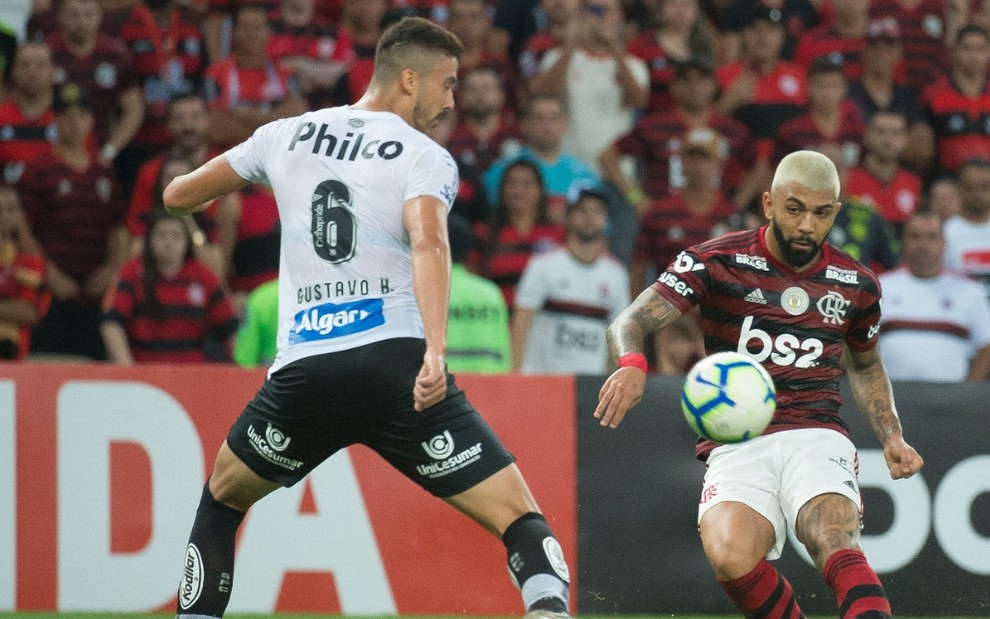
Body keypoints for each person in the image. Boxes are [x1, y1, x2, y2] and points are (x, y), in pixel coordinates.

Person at [163, 17, 572, 619]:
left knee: (221, 503)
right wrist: (436, 351)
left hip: (306, 373)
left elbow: (178, 195)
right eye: (448, 84)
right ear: (410, 80)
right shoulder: (427, 157)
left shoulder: (285, 135)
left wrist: (221, 204)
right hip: (397, 371)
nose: (451, 100)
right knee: (520, 518)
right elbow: (429, 243)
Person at [595, 150, 924, 619]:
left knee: (832, 535)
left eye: (821, 212)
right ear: (768, 204)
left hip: (815, 432)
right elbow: (630, 321)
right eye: (795, 209)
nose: (808, 225)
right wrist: (630, 363)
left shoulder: (856, 284)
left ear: (836, 211)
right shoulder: (715, 260)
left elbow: (867, 366)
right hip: (738, 438)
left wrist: (892, 435)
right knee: (729, 553)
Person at [510, 187, 628, 374]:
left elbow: (619, 335)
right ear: (569, 216)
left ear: (606, 220)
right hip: (543, 379)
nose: (589, 217)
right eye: (582, 210)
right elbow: (521, 322)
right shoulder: (543, 264)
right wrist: (515, 374)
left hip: (590, 384)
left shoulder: (616, 273)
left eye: (597, 212)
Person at [101, 210, 239, 364]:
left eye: (176, 235)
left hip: (194, 375)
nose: (169, 242)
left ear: (187, 241)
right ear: (149, 240)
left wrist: (239, 371)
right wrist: (128, 368)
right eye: (161, 235)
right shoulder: (130, 273)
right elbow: (111, 323)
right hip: (144, 375)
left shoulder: (204, 276)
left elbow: (231, 329)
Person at [878, 211, 990, 382]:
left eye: (932, 237)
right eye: (915, 236)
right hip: (890, 399)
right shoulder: (880, 287)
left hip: (951, 401)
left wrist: (968, 394)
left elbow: (986, 348)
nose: (923, 244)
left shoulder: (970, 291)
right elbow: (856, 346)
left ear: (944, 243)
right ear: (903, 242)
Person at [446, 213, 512, 373]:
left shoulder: (423, 292)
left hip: (442, 388)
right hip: (490, 387)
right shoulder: (491, 292)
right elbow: (505, 351)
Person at [943, 157, 990, 303]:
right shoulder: (944, 232)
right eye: (971, 187)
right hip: (960, 315)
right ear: (959, 189)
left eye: (985, 187)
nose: (978, 194)